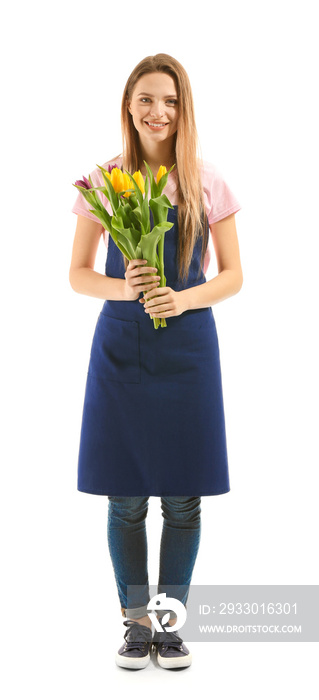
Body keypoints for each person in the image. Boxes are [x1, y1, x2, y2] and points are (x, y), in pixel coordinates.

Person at [70, 53, 243, 671]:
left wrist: (180, 297)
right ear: (128, 106)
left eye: (169, 101)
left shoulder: (206, 182)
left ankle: (168, 626)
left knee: (183, 500)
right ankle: (134, 626)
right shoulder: (105, 180)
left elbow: (234, 276)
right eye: (146, 99)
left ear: (183, 108)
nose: (158, 112)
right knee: (125, 499)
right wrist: (130, 287)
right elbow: (78, 275)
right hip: (121, 346)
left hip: (190, 349)